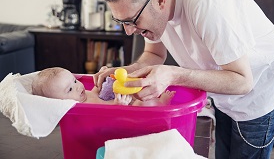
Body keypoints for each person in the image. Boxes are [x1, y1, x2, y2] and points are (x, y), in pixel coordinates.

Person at [94, 0, 274, 158]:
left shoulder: (207, 1)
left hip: (258, 91)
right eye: (121, 21)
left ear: (160, 1)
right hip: (224, 90)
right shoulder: (154, 1)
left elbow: (243, 82)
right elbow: (154, 54)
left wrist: (174, 75)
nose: (128, 32)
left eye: (132, 21)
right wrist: (129, 72)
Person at [32, 67, 175, 106]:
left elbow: (95, 93)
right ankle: (161, 103)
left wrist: (102, 76)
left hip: (119, 101)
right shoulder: (81, 107)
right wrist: (118, 106)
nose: (77, 87)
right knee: (141, 103)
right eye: (69, 89)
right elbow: (104, 114)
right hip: (120, 113)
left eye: (74, 81)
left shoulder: (82, 95)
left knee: (138, 90)